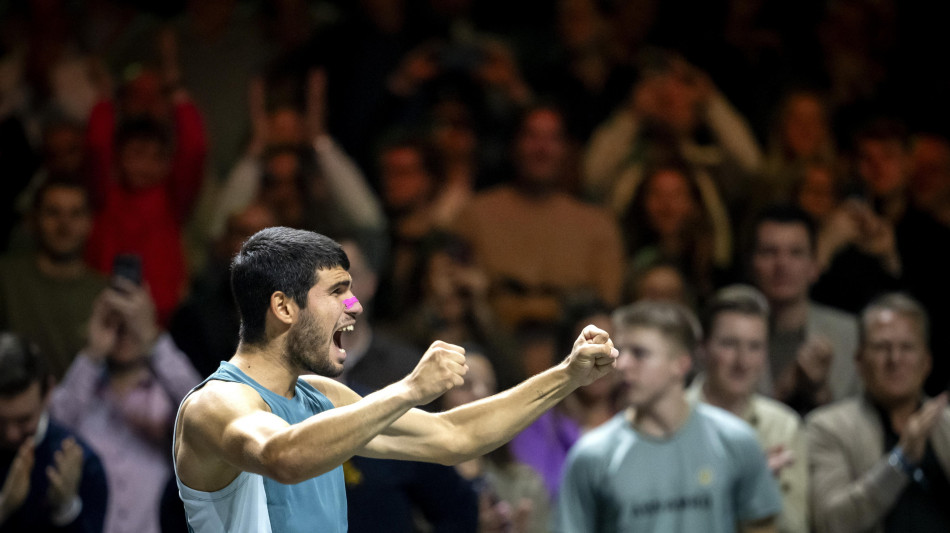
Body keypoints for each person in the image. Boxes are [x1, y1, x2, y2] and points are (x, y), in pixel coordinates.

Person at [172, 227, 617, 532]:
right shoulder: (216, 404)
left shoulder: (321, 396)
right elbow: (283, 456)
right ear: (284, 307)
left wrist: (567, 375)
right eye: (336, 291)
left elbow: (456, 436)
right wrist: (409, 390)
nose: (355, 306)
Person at [557, 300, 782, 533]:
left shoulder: (735, 440)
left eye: (639, 353)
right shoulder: (592, 456)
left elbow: (760, 525)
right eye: (620, 352)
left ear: (681, 363)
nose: (621, 364)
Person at [51, 281, 201, 533]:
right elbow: (52, 429)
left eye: (132, 321)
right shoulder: (83, 389)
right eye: (115, 320)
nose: (124, 330)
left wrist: (153, 339)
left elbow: (205, 414)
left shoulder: (168, 393)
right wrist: (92, 352)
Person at [806, 293, 950, 533]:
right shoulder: (828, 427)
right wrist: (900, 461)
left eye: (907, 347)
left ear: (926, 362)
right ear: (859, 360)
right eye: (882, 347)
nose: (895, 359)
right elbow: (831, 522)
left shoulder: (947, 424)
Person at [687, 285, 808, 533]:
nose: (742, 361)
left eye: (755, 347)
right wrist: (750, 482)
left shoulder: (783, 426)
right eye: (729, 344)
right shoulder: (670, 419)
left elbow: (795, 527)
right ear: (702, 347)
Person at [748, 204, 860, 415]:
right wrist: (782, 391)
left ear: (814, 266)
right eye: (769, 252)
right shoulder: (729, 334)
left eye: (796, 253)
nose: (782, 264)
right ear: (753, 263)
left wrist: (820, 392)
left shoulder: (850, 334)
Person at [0, 331, 107, 532]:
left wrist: (66, 508)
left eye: (24, 420)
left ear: (48, 392)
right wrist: (4, 506)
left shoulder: (84, 464)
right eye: (0, 422)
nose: (11, 434)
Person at [0, 180, 107, 380]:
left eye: (75, 214)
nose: (64, 225)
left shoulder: (105, 292)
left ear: (89, 222)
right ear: (33, 220)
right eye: (53, 212)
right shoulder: (6, 277)